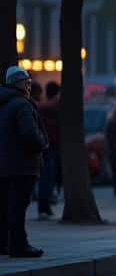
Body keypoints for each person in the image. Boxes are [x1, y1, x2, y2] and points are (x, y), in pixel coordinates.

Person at [0, 66, 46, 257]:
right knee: (19, 207)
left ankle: (3, 244)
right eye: (27, 81)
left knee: (4, 206)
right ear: (19, 83)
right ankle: (19, 245)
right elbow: (29, 133)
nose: (29, 85)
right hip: (22, 164)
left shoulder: (3, 103)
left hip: (3, 164)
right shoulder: (22, 104)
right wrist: (42, 144)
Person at [35, 81, 61, 219]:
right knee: (47, 178)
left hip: (47, 145)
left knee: (46, 178)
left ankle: (44, 207)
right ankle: (44, 206)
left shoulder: (42, 108)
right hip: (50, 146)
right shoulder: (53, 107)